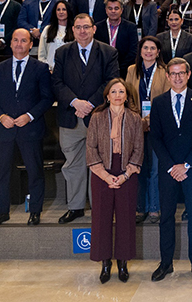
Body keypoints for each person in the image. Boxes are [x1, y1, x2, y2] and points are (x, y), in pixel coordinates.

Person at [51, 14, 121, 225]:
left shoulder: (108, 52)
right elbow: (56, 83)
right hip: (71, 117)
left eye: (86, 27)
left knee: (99, 164)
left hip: (98, 116)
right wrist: (75, 102)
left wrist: (89, 104)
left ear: (94, 29)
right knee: (73, 164)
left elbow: (111, 82)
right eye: (78, 27)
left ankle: (99, 207)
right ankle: (76, 207)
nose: (82, 31)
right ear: (72, 30)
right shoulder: (62, 52)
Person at [149, 58, 192, 282]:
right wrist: (171, 166)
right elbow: (155, 138)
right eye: (173, 74)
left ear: (188, 75)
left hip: (191, 169)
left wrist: (186, 165)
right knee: (166, 217)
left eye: (181, 73)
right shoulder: (158, 102)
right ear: (167, 76)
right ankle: (165, 263)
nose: (177, 77)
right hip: (168, 170)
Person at [0, 29, 52, 227]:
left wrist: (29, 116)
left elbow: (48, 98)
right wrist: (1, 116)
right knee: (3, 172)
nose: (19, 44)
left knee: (34, 171)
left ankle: (35, 212)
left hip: (30, 128)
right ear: (11, 42)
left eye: (24, 40)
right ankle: (1, 211)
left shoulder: (40, 68)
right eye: (15, 40)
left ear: (30, 44)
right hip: (4, 128)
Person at [85, 78, 144, 283]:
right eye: (114, 91)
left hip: (127, 171)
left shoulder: (135, 118)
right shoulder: (97, 117)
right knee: (101, 218)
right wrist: (105, 175)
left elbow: (139, 149)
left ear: (127, 96)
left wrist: (126, 174)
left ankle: (122, 262)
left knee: (126, 218)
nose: (118, 95)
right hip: (102, 171)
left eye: (121, 92)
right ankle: (105, 263)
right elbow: (91, 148)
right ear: (107, 96)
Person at [125, 36, 171, 225]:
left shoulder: (164, 71)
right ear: (140, 50)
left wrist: (149, 120)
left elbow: (167, 99)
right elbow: (127, 97)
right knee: (138, 167)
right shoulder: (131, 70)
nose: (149, 51)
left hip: (157, 126)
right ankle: (139, 207)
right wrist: (139, 120)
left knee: (154, 168)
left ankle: (154, 207)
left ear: (158, 52)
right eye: (146, 48)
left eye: (153, 48)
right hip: (135, 126)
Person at [95, 0, 139, 73]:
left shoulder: (131, 27)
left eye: (116, 8)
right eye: (110, 8)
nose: (113, 11)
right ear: (106, 10)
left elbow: (133, 51)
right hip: (102, 68)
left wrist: (119, 67)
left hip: (124, 69)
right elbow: (96, 49)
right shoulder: (98, 27)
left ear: (121, 10)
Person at [38, 0, 73, 71]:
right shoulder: (47, 29)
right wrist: (47, 69)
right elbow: (41, 54)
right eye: (58, 10)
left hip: (68, 71)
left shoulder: (74, 30)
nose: (61, 12)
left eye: (64, 9)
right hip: (49, 71)